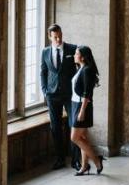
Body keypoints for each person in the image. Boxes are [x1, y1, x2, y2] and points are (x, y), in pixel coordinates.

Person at [39, 24, 77, 170]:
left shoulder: (72, 49)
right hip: (52, 95)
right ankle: (60, 158)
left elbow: (79, 69)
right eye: (55, 37)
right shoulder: (45, 52)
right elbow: (43, 72)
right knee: (55, 128)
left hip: (69, 94)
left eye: (60, 35)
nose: (59, 39)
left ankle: (75, 160)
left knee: (73, 125)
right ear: (50, 37)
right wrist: (44, 91)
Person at [69, 46, 104, 176]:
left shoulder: (87, 70)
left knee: (74, 137)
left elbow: (87, 93)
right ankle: (84, 166)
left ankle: (96, 160)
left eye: (76, 54)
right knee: (82, 137)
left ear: (82, 57)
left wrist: (82, 111)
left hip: (82, 106)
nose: (74, 55)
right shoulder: (81, 68)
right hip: (75, 104)